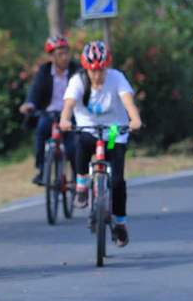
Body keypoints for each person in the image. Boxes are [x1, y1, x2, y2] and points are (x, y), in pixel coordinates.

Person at [59, 41, 143, 247]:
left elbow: (128, 102)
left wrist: (135, 119)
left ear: (107, 67)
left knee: (117, 180)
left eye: (101, 70)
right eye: (92, 71)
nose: (97, 75)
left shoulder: (117, 78)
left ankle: (120, 223)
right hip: (88, 128)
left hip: (114, 130)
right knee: (81, 144)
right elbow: (69, 104)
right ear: (86, 68)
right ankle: (81, 184)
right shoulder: (77, 80)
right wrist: (65, 119)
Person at [19, 35, 80, 185]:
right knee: (41, 131)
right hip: (50, 114)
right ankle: (41, 171)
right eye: (60, 54)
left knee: (73, 146)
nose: (64, 57)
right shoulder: (44, 71)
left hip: (71, 114)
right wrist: (30, 104)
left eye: (66, 53)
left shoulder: (76, 70)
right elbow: (35, 90)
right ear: (52, 56)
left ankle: (77, 176)